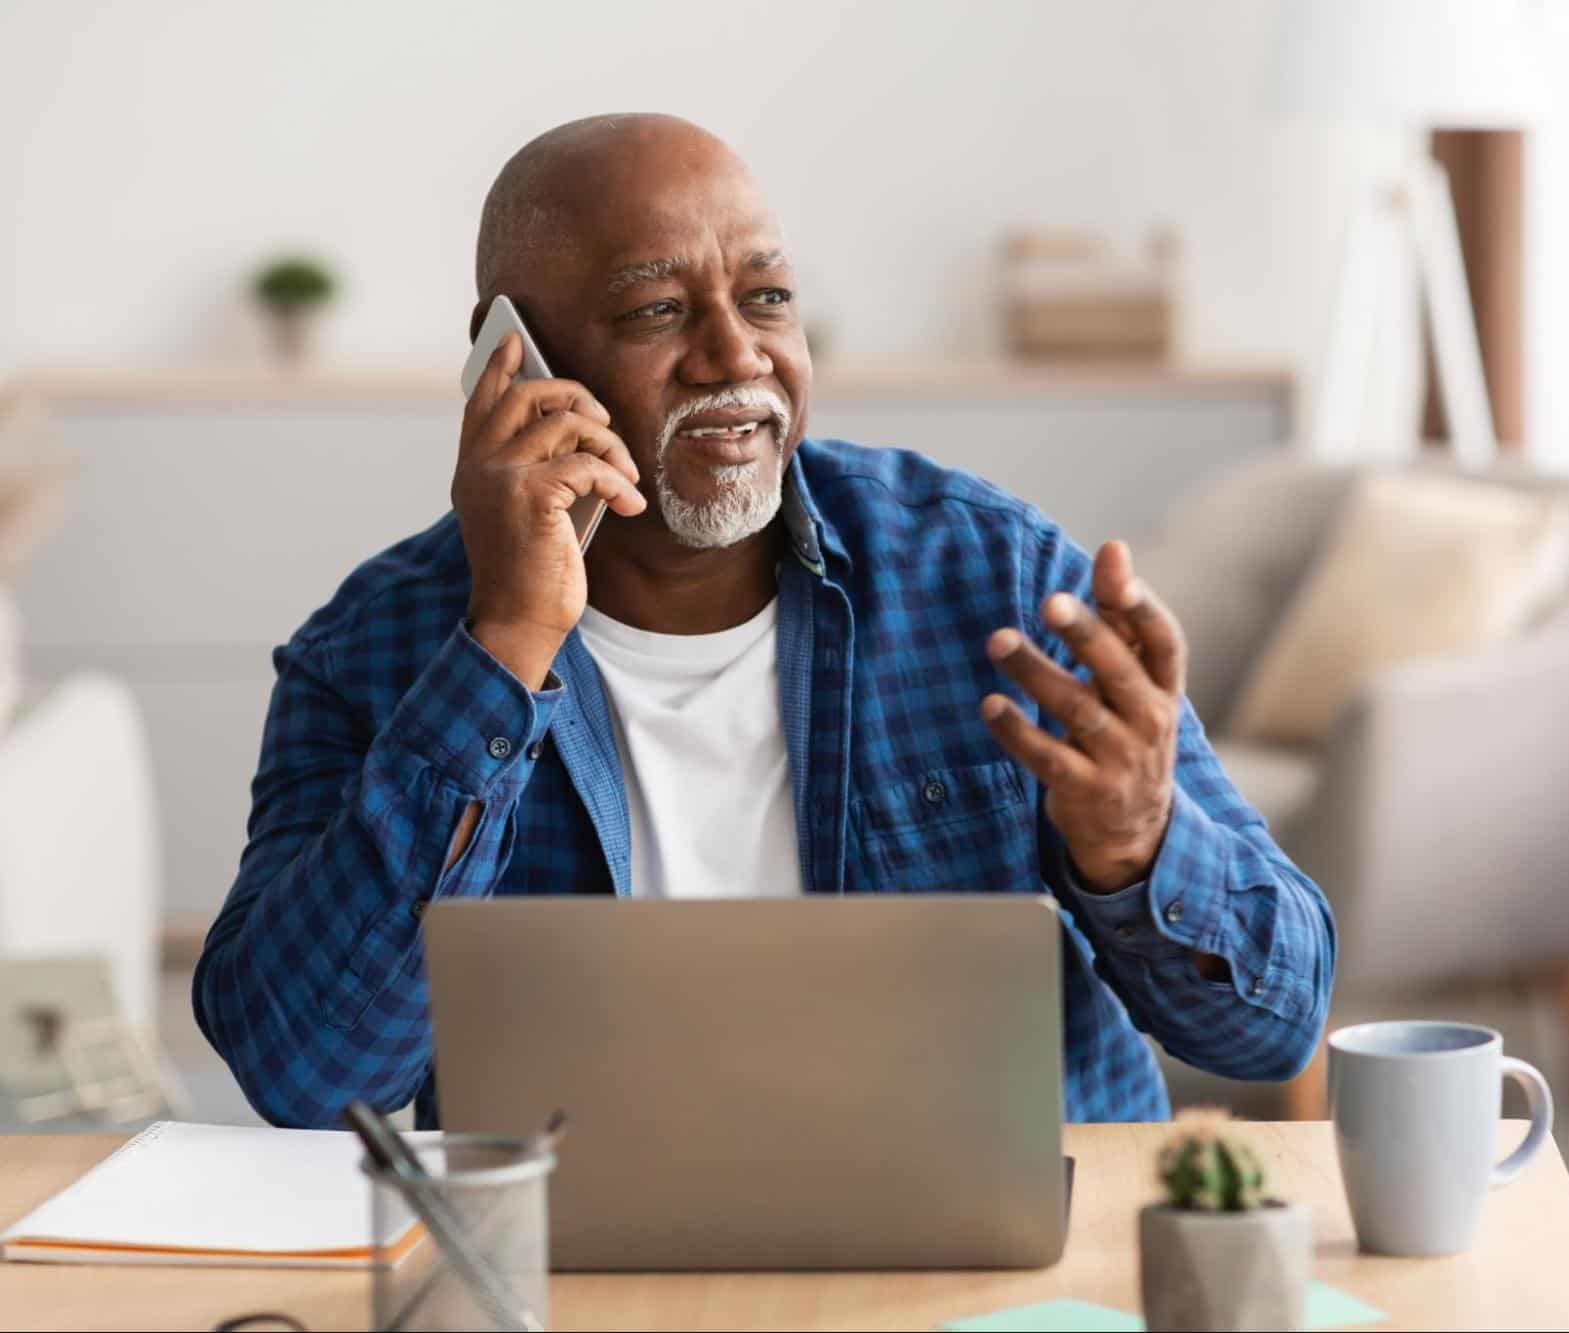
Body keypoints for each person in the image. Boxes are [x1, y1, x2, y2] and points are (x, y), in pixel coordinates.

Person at [194, 114, 1335, 1129]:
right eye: (657, 309)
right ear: (512, 361)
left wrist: (1135, 843)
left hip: (994, 1275)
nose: (739, 356)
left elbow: (1274, 1026)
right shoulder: (375, 651)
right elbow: (304, 1075)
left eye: (768, 297)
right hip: (585, 1282)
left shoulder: (992, 577)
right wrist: (504, 645)